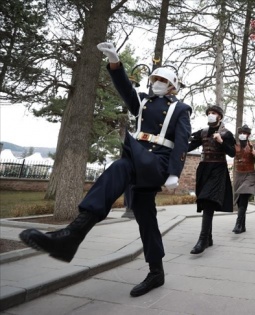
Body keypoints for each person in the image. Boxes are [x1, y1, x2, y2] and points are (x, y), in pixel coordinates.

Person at [19, 42, 192, 297]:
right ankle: (157, 272)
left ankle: (72, 235)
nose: (156, 82)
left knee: (121, 166)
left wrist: (175, 172)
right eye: (154, 78)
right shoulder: (143, 102)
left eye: (162, 79)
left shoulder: (181, 109)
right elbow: (125, 89)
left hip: (157, 162)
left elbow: (182, 141)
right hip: (139, 161)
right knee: (146, 219)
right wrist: (115, 62)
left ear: (172, 85)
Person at [187, 105, 235, 254]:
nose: (211, 115)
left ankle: (202, 240)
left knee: (208, 199)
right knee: (204, 201)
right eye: (209, 113)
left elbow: (233, 153)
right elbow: (189, 146)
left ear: (220, 116)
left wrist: (221, 141)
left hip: (218, 169)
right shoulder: (203, 132)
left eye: (214, 113)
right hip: (204, 169)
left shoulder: (226, 133)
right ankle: (209, 238)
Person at [231, 124, 255, 234]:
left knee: (244, 197)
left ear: (248, 135)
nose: (242, 135)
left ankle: (237, 224)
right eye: (240, 133)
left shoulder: (253, 146)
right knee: (239, 201)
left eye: (244, 133)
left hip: (249, 174)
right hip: (238, 175)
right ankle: (242, 226)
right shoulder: (234, 146)